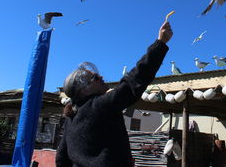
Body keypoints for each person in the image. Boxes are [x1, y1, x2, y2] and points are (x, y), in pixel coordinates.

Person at [56, 21, 173, 167]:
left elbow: (61, 158)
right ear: (84, 90)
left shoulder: (71, 118)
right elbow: (134, 81)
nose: (101, 77)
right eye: (95, 78)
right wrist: (160, 43)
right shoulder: (99, 106)